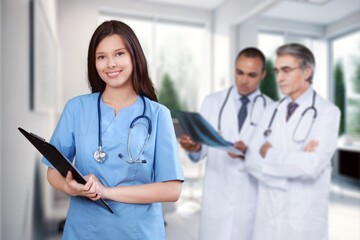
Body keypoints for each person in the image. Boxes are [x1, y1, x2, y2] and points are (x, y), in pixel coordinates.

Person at [41, 20, 184, 240]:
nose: (111, 64)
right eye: (101, 57)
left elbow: (171, 190)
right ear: (94, 62)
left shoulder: (158, 114)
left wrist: (106, 192)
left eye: (119, 54)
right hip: (84, 228)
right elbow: (53, 171)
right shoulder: (76, 109)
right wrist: (72, 188)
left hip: (138, 231)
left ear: (134, 57)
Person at [245, 43, 340, 240]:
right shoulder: (271, 111)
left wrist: (270, 154)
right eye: (277, 70)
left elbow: (311, 166)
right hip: (267, 218)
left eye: (287, 70)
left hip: (302, 220)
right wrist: (294, 162)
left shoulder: (327, 113)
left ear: (307, 72)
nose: (279, 77)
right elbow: (251, 161)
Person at [179, 47, 274, 240]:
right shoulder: (213, 102)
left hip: (251, 199)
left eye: (251, 75)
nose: (244, 80)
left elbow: (273, 158)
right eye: (239, 72)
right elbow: (202, 147)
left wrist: (248, 153)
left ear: (263, 74)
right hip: (217, 195)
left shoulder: (272, 109)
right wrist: (194, 147)